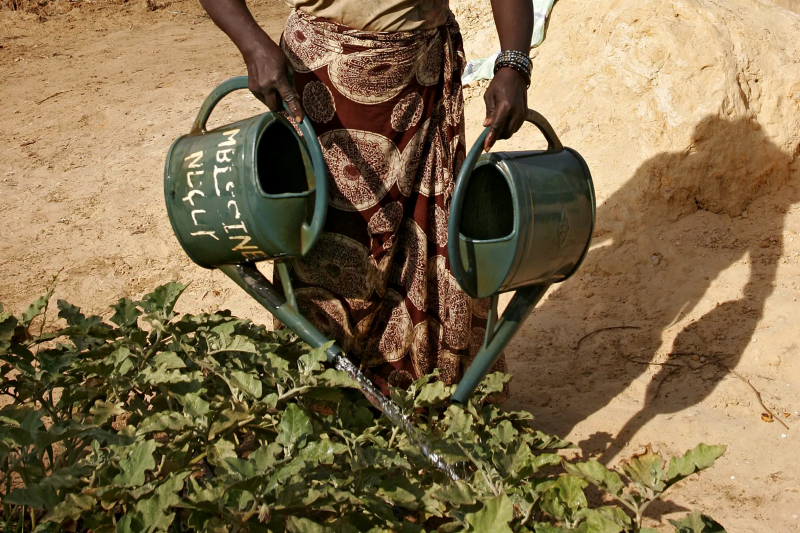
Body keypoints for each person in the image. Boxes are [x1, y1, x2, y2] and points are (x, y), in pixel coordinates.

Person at [198, 0, 533, 397]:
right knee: (331, 264)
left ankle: (438, 407)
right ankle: (329, 419)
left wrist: (514, 64)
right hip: (324, 91)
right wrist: (252, 44)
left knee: (436, 253)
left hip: (426, 82)